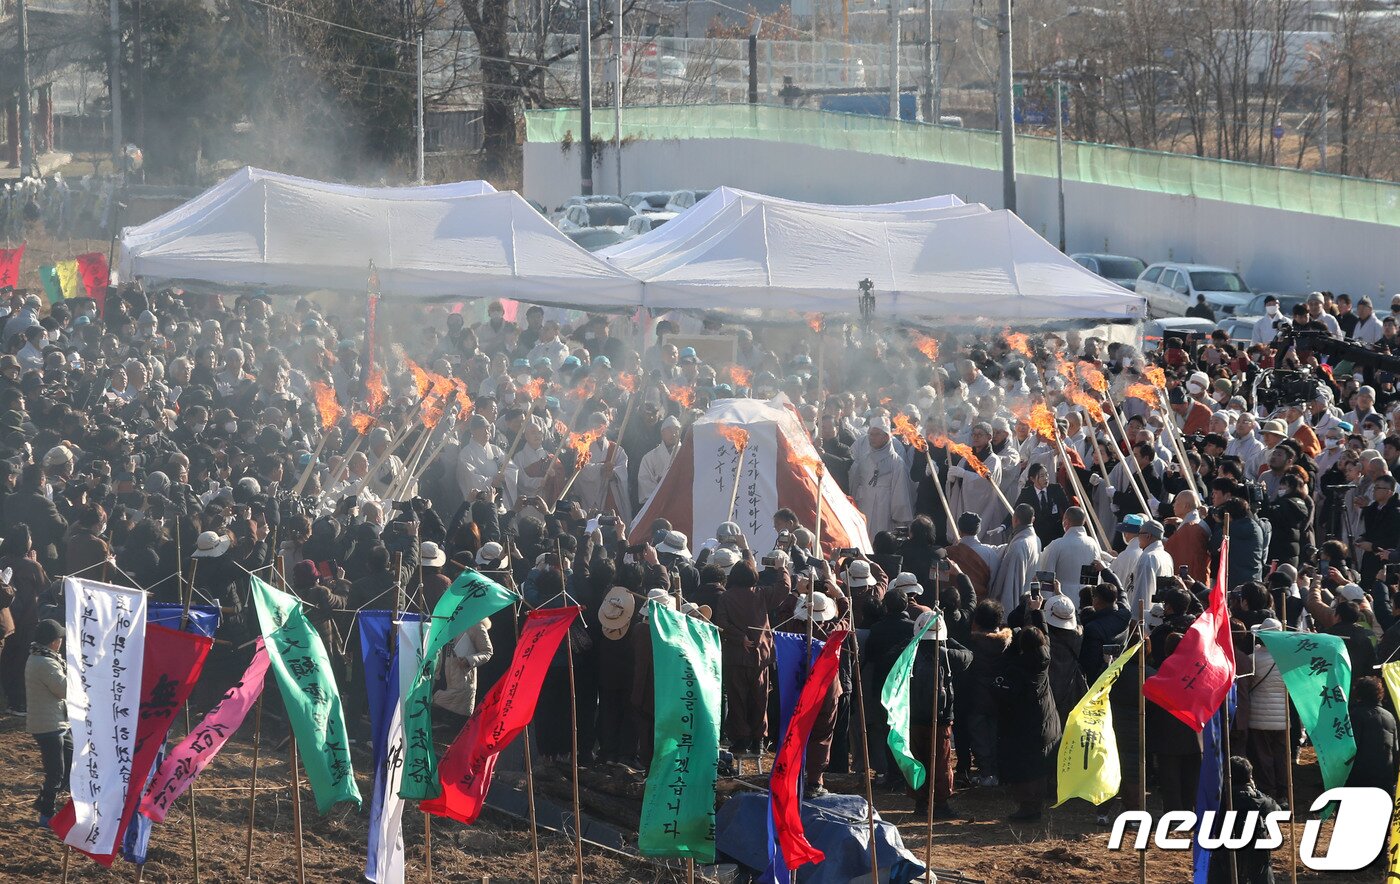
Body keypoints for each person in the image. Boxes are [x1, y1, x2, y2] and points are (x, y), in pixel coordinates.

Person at [993, 611, 1061, 821]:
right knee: (1040, 766)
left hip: (1025, 724)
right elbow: (1045, 636)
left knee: (1025, 768)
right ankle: (1036, 805)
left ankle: (1028, 808)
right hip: (1047, 720)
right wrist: (1036, 610)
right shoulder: (1045, 657)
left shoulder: (1017, 669)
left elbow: (1005, 692)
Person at [25, 618, 68, 827]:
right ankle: (46, 816)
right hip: (49, 726)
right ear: (53, 642)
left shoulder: (42, 657)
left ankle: (43, 803)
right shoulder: (45, 663)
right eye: (59, 637)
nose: (61, 641)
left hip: (55, 723)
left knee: (65, 767)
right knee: (56, 773)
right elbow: (64, 690)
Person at [987, 504, 1040, 613]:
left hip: (1015, 606)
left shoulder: (1019, 545)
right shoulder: (1035, 539)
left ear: (1015, 520)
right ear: (1033, 519)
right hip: (1026, 597)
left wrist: (1006, 615)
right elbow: (1006, 549)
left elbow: (1010, 586)